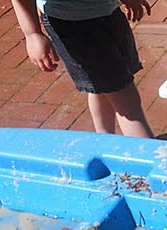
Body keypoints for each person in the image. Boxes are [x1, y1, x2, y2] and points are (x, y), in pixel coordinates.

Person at [11, 0, 154, 138]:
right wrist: (32, 33)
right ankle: (150, 158)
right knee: (126, 100)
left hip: (109, 12)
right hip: (73, 24)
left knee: (103, 86)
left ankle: (104, 140)